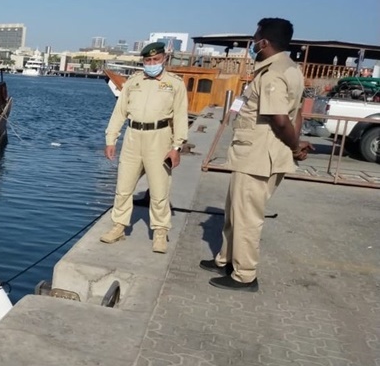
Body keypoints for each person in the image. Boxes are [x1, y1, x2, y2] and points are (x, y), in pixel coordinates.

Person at [200, 18, 310, 292]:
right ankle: (226, 259)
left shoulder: (273, 74)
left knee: (247, 218)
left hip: (260, 157)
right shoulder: (290, 68)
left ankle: (245, 275)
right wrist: (295, 146)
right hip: (254, 155)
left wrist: (295, 148)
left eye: (255, 38)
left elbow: (281, 119)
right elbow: (298, 114)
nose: (253, 43)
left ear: (265, 42)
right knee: (235, 212)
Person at [100, 42, 189, 253]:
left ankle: (160, 232)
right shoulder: (133, 82)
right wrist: (111, 139)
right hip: (133, 137)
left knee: (159, 190)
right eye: (147, 61)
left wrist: (177, 146)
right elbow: (120, 112)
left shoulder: (174, 84)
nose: (151, 64)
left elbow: (180, 116)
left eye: (155, 60)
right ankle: (119, 226)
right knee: (123, 187)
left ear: (164, 59)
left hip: (160, 137)